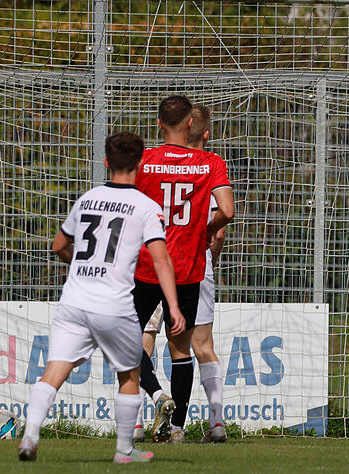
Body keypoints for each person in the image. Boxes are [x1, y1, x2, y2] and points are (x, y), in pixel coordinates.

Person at [17, 132, 184, 464]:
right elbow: (161, 258)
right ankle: (124, 451)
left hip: (75, 300)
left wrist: (81, 265)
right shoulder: (146, 207)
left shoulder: (87, 199)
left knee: (54, 371)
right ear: (141, 164)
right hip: (114, 302)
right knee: (130, 376)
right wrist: (174, 306)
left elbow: (59, 246)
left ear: (106, 162)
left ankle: (30, 436)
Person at [132, 96, 234, 443]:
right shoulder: (209, 163)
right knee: (182, 348)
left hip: (148, 265)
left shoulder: (144, 161)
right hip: (189, 269)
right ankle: (177, 432)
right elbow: (228, 212)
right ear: (190, 124)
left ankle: (152, 402)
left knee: (131, 339)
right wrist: (206, 229)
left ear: (159, 123)